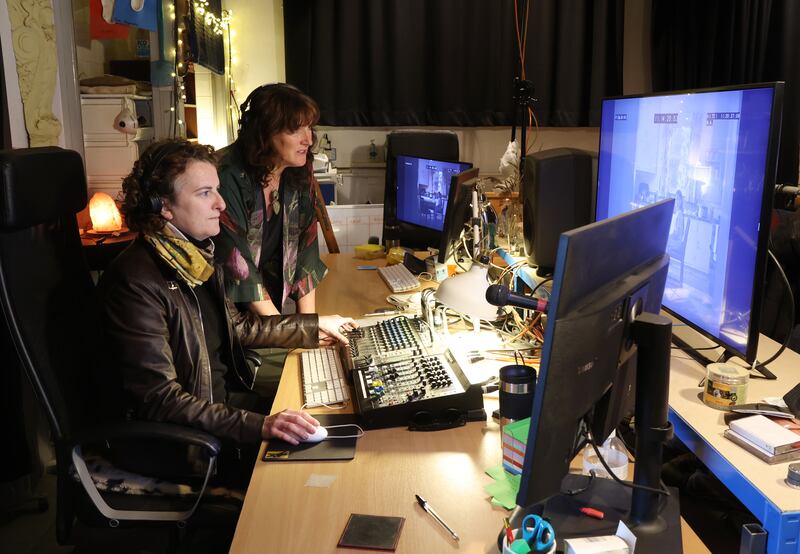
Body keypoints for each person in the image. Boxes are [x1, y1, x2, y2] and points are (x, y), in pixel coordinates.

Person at [97, 139, 356, 486]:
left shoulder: (195, 256)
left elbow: (239, 328)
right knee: (320, 472)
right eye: (205, 193)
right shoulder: (135, 281)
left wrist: (313, 326)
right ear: (164, 207)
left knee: (339, 425)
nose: (221, 204)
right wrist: (259, 425)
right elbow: (159, 400)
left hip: (219, 409)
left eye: (217, 191)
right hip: (181, 442)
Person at [215, 83, 326, 316]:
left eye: (309, 128)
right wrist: (291, 332)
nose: (308, 139)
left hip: (266, 315)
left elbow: (306, 250)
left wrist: (307, 328)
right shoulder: (226, 175)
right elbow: (239, 266)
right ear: (264, 133)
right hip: (223, 314)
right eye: (295, 130)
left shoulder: (298, 171)